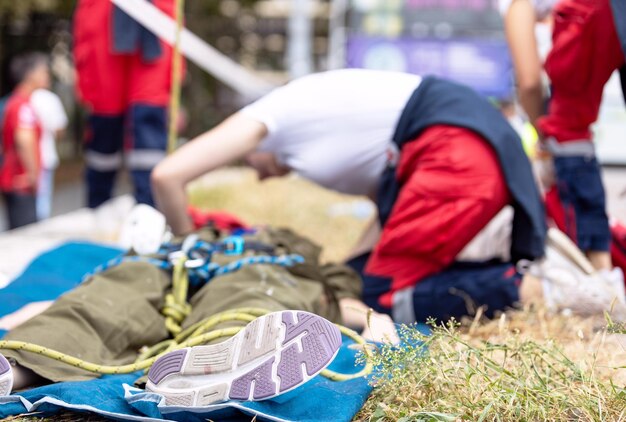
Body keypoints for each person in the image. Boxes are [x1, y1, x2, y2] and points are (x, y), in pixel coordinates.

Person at [151, 69, 626, 325]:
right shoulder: (319, 132)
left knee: (380, 297)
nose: (256, 178)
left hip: (454, 152)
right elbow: (389, 215)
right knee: (363, 281)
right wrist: (348, 272)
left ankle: (536, 288)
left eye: (248, 163)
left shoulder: (269, 117)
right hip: (460, 146)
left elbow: (167, 177)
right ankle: (531, 279)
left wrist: (196, 248)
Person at [0, 223, 394, 405]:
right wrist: (51, 306)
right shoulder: (186, 238)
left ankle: (222, 355)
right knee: (115, 292)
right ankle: (14, 368)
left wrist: (372, 317)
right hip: (174, 261)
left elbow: (336, 295)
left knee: (255, 290)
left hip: (264, 267)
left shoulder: (291, 253)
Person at [73, 0, 179, 208]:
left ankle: (150, 209)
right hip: (103, 20)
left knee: (148, 118)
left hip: (155, 19)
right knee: (105, 122)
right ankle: (98, 206)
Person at [0, 53, 50, 229]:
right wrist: (33, 176)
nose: (47, 75)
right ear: (30, 74)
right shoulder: (22, 105)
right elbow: (24, 139)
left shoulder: (15, 103)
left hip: (16, 180)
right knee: (25, 236)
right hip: (21, 182)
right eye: (43, 71)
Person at [30, 89, 68, 220]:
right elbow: (59, 129)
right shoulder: (49, 98)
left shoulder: (21, 98)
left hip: (26, 161)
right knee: (42, 203)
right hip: (43, 157)